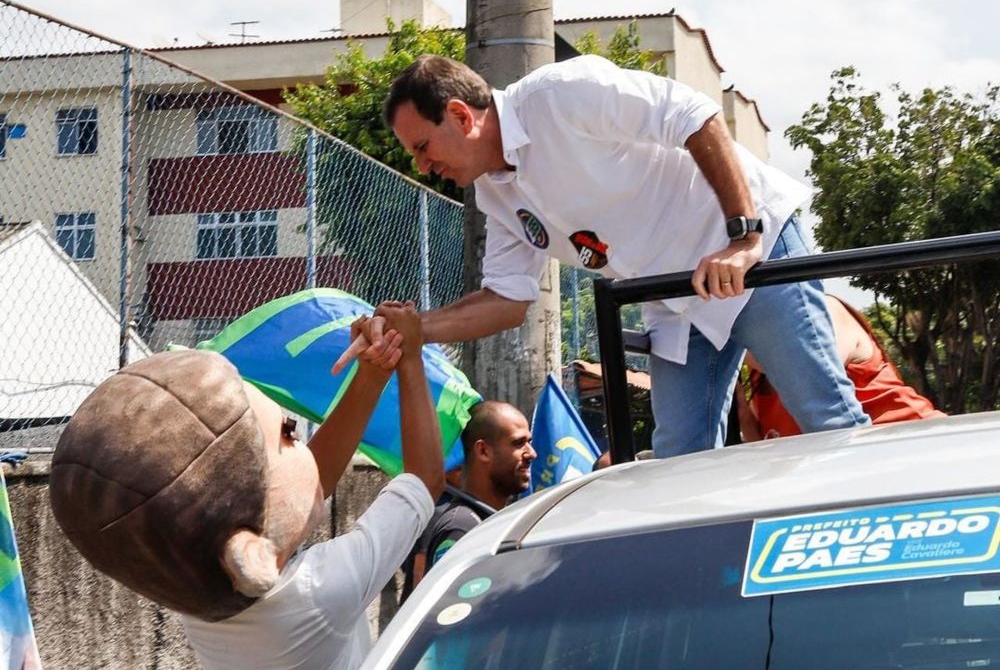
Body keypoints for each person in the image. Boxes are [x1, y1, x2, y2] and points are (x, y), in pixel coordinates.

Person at [349, 53, 870, 459]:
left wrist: (742, 238)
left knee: (826, 419)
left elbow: (694, 115)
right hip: (673, 297)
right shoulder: (495, 193)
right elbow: (508, 301)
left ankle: (906, 579)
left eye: (421, 146)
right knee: (678, 462)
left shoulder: (558, 96)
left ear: (461, 116)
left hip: (748, 257)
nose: (422, 165)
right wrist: (413, 328)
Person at [49, 304, 444, 670]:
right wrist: (410, 358)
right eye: (289, 434)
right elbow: (424, 481)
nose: (299, 443)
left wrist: (372, 376)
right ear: (253, 554)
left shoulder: (197, 584)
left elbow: (292, 494)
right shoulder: (318, 593)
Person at [738, 295, 946, 440]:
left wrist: (728, 343)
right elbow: (764, 440)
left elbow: (809, 366)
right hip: (848, 469)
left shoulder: (825, 310)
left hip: (915, 441)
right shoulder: (755, 368)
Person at [401, 400, 535, 601]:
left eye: (529, 442)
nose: (531, 453)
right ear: (483, 451)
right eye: (518, 443)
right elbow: (447, 614)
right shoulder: (462, 527)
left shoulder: (488, 521)